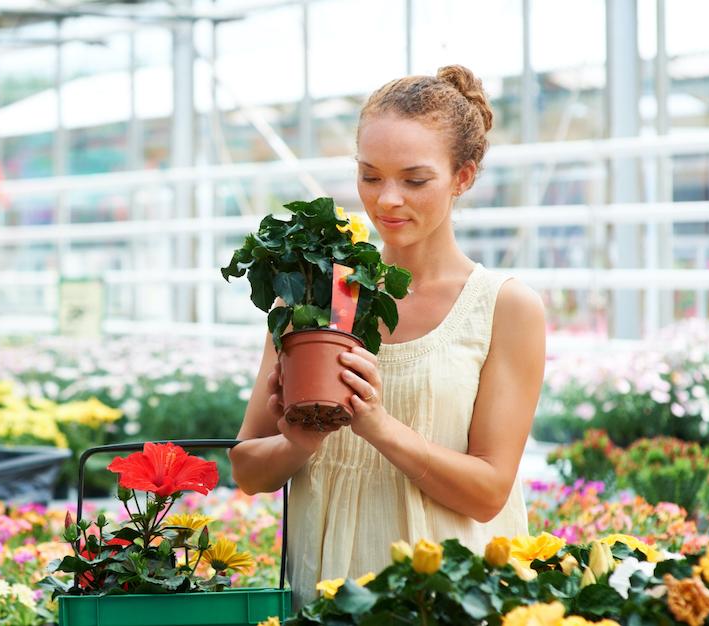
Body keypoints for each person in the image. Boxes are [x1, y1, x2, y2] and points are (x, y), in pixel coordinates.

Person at [228, 65, 546, 605]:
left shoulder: (504, 307)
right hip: (326, 593)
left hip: (449, 597)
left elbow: (489, 492)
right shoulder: (311, 295)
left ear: (463, 177)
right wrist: (299, 441)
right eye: (370, 176)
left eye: (414, 180)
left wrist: (377, 426)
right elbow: (248, 468)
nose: (387, 200)